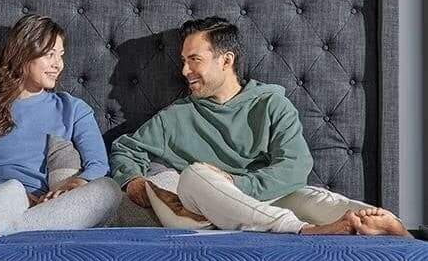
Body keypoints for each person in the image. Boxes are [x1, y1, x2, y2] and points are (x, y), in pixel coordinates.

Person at [109, 17, 409, 236]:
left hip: (271, 196)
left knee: (320, 200)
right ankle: (301, 230)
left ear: (226, 60)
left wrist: (237, 183)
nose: (185, 70)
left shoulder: (271, 104)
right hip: (214, 203)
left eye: (194, 59)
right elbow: (126, 148)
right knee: (194, 175)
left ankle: (386, 226)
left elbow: (295, 167)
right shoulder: (177, 116)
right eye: (184, 61)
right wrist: (132, 180)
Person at [0, 14, 122, 237]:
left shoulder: (73, 109)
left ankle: (4, 232)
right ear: (23, 55)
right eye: (50, 54)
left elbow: (98, 165)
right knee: (13, 189)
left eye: (61, 55)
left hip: (51, 211)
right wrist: (9, 192)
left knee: (109, 190)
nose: (58, 64)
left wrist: (75, 184)